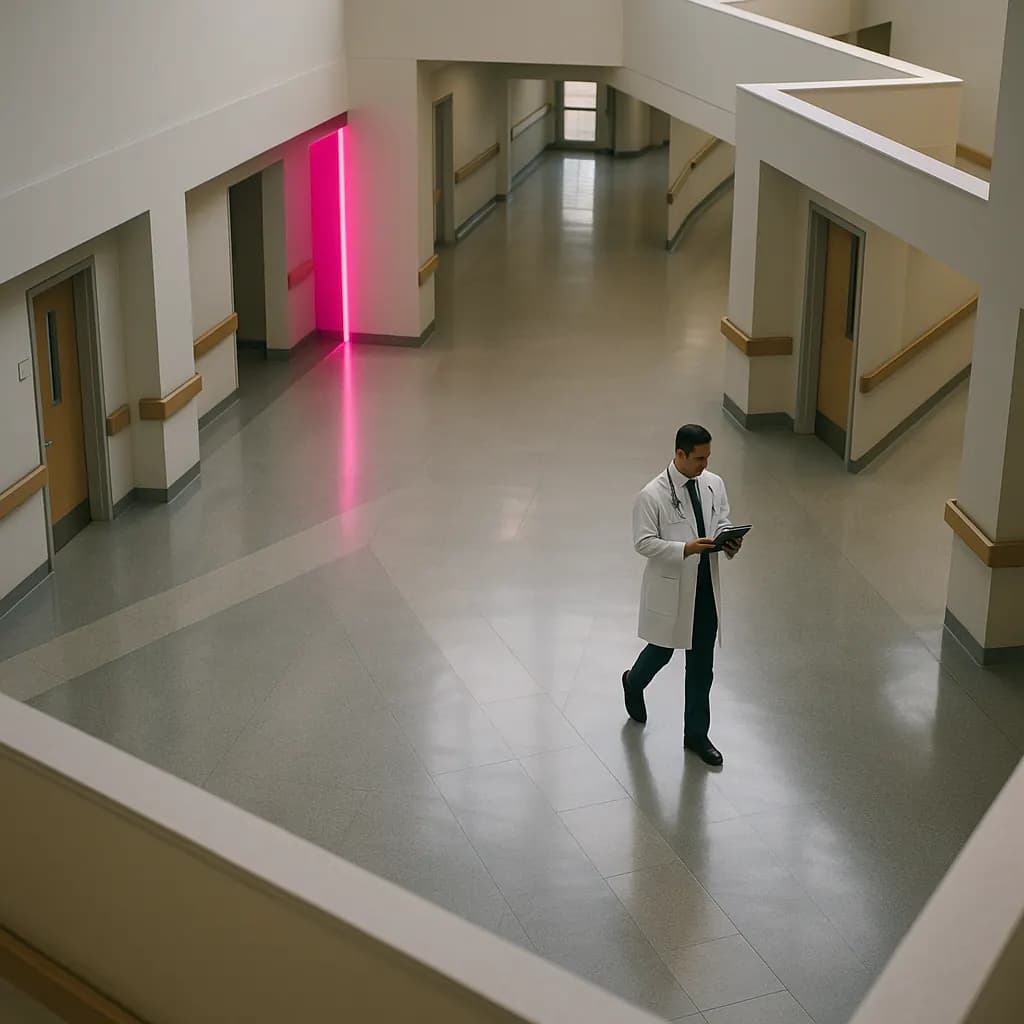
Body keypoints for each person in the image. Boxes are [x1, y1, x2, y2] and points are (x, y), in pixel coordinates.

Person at [622, 424, 742, 766]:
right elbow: (643, 542)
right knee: (661, 652)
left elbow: (721, 521)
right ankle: (633, 682)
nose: (705, 464)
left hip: (704, 589)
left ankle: (697, 736)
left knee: (702, 667)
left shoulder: (713, 484)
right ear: (680, 454)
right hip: (672, 588)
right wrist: (684, 549)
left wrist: (729, 540)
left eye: (708, 457)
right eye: (699, 458)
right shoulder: (652, 495)